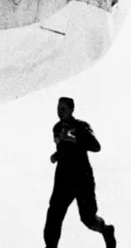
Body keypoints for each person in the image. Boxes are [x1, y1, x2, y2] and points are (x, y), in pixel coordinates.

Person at [44, 97, 117, 248]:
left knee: (88, 218)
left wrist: (75, 139)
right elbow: (63, 149)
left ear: (71, 110)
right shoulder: (56, 128)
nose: (60, 112)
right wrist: (56, 155)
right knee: (54, 215)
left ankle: (106, 230)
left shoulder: (81, 126)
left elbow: (96, 146)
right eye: (58, 109)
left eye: (63, 109)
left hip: (82, 179)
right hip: (63, 179)